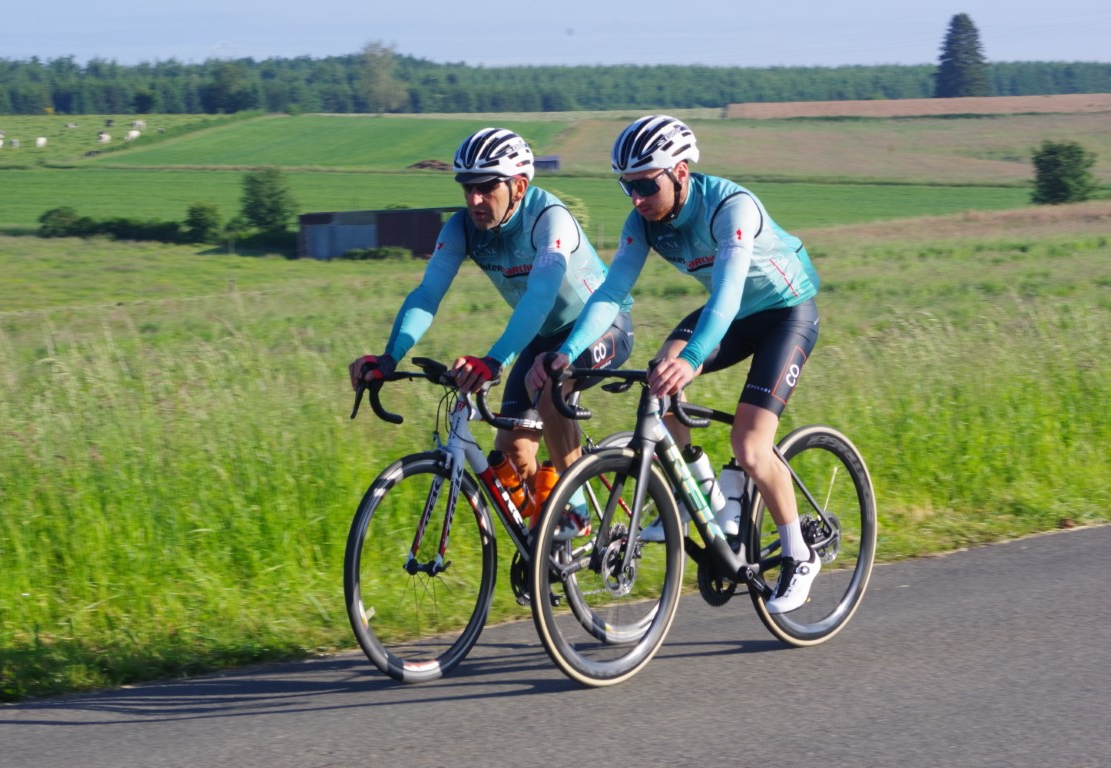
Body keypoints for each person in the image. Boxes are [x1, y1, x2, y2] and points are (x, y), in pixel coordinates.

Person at [527, 115, 821, 613]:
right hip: (731, 315)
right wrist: (567, 353)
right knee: (659, 378)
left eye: (646, 185)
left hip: (784, 314)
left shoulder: (730, 208)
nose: (636, 199)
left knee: (750, 445)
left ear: (680, 172)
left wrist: (693, 358)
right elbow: (611, 293)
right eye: (628, 187)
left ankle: (799, 554)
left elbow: (727, 294)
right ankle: (700, 496)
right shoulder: (643, 222)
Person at [350, 127, 634, 536]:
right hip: (539, 337)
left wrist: (494, 360)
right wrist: (388, 357)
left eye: (486, 188)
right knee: (514, 450)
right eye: (467, 187)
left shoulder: (549, 219)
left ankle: (575, 517)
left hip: (600, 327)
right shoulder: (461, 228)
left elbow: (539, 295)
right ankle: (549, 543)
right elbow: (427, 294)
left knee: (551, 390)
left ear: (519, 186)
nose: (474, 200)